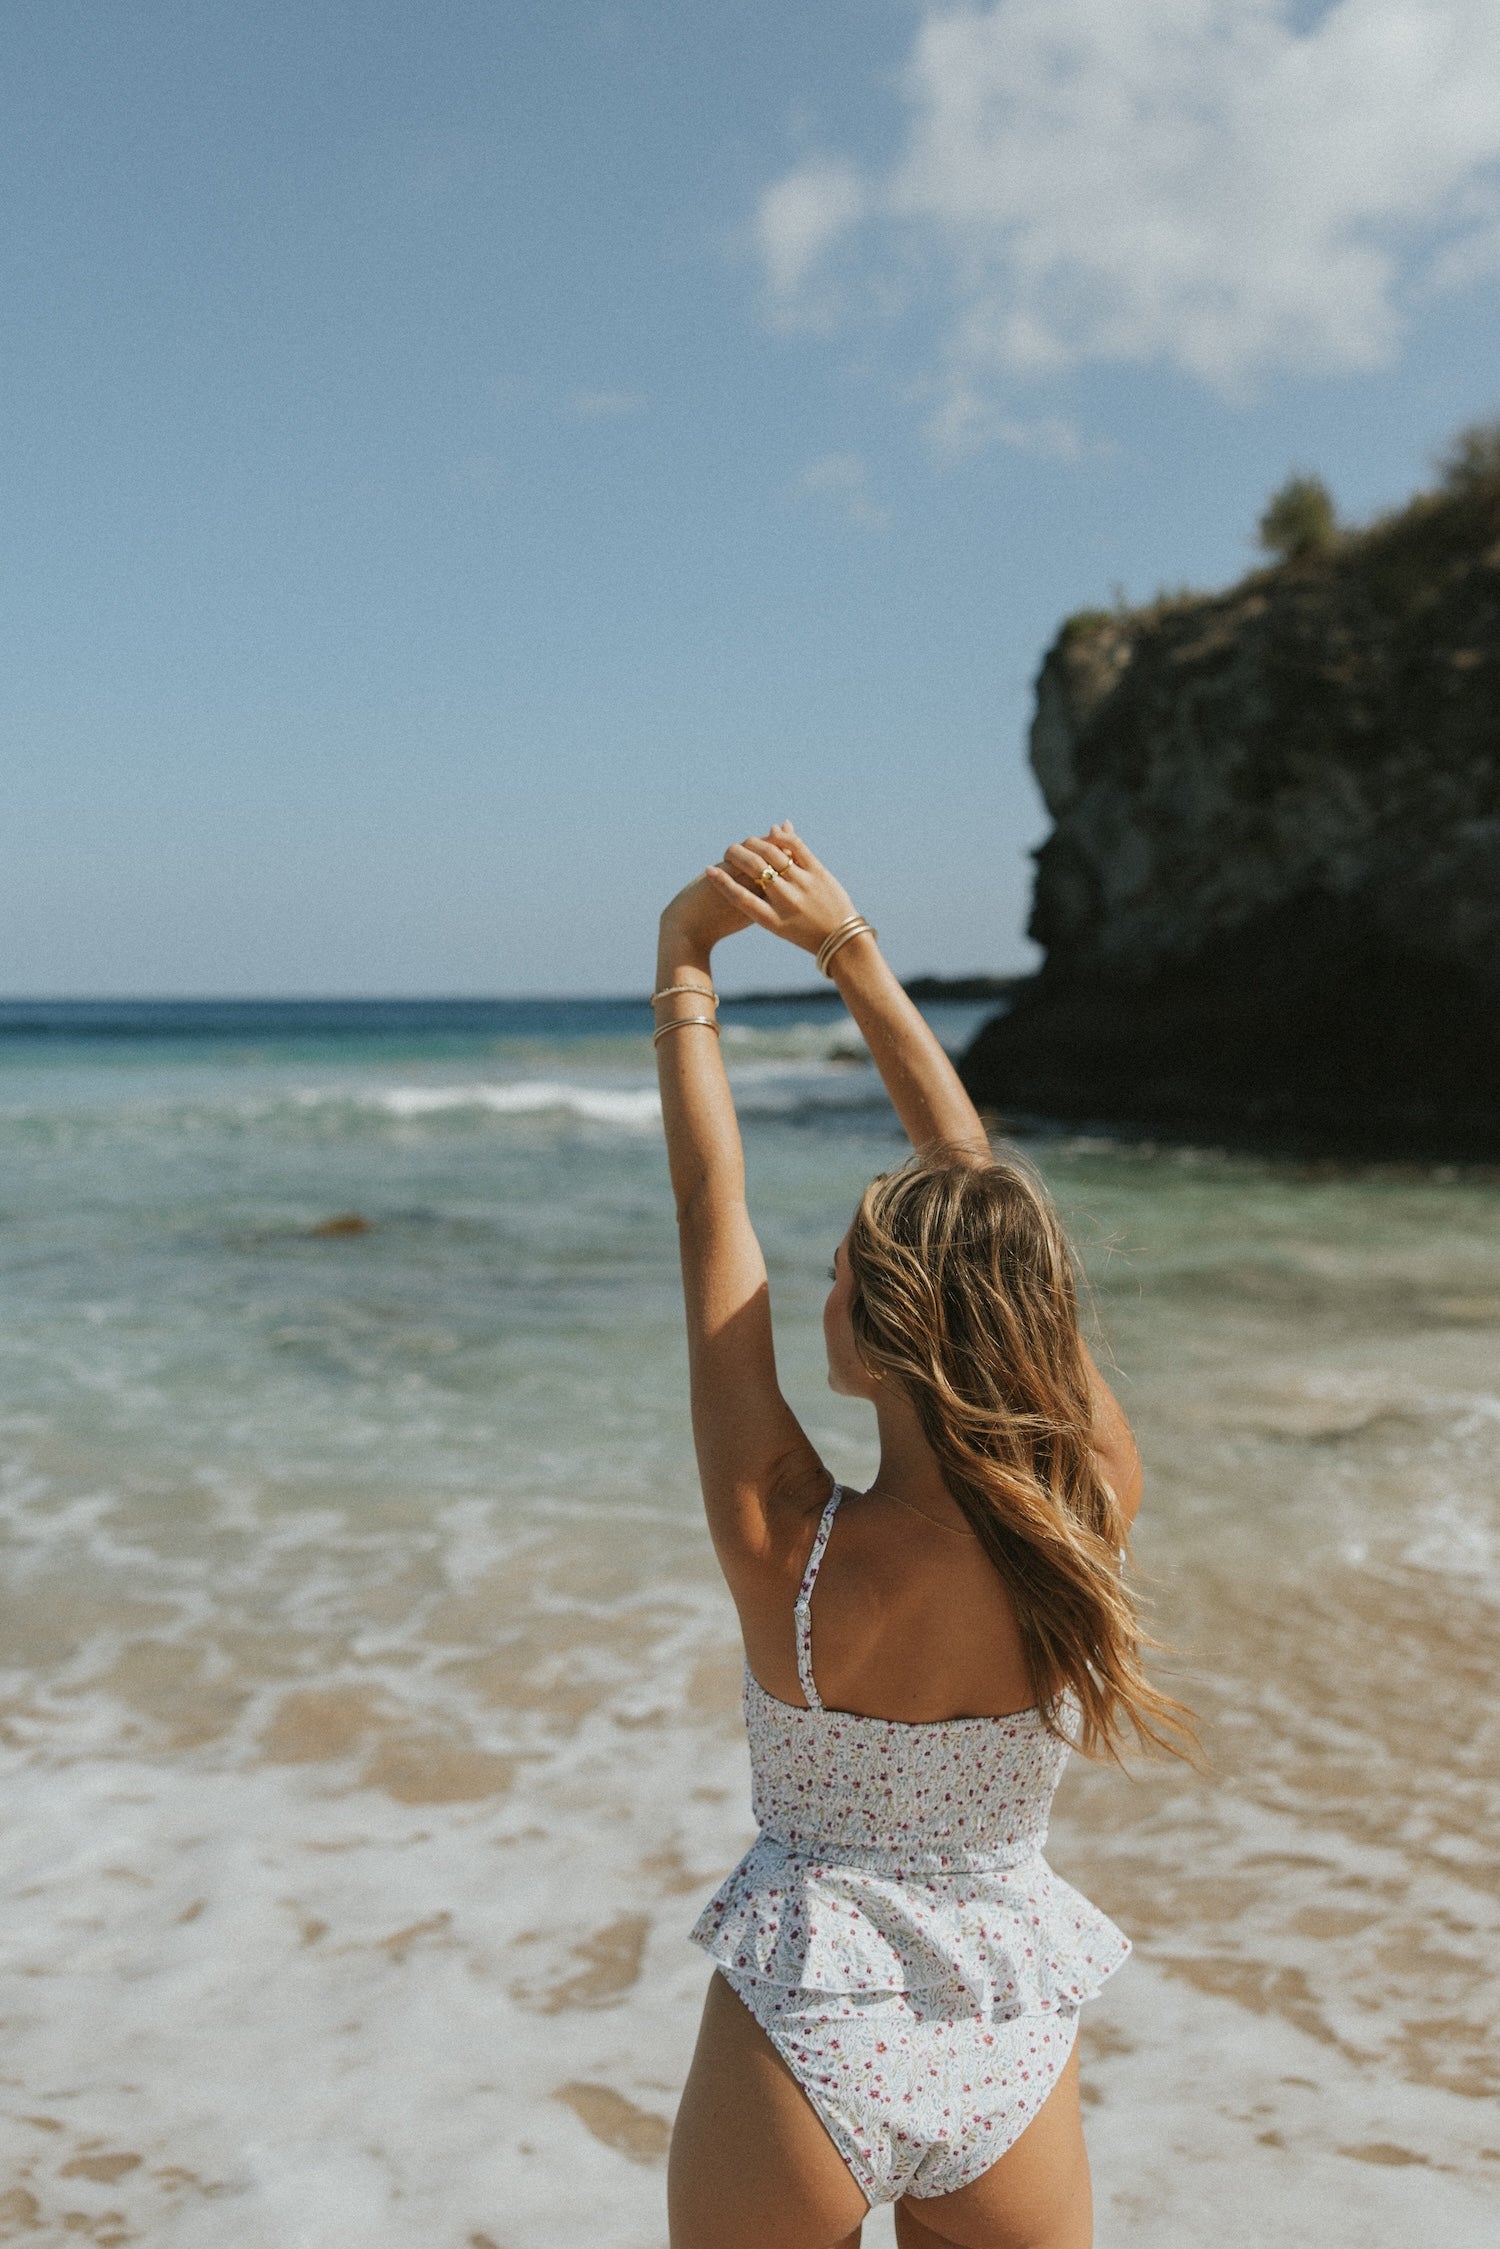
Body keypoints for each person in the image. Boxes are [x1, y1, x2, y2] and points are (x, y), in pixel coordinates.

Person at [656, 826, 1192, 2249]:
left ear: (877, 1337)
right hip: (1007, 2023)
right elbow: (989, 1206)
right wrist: (852, 953)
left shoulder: (792, 1546)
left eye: (838, 1273)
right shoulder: (1085, 1505)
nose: (820, 1284)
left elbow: (714, 1213)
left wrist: (684, 966)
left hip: (807, 2025)